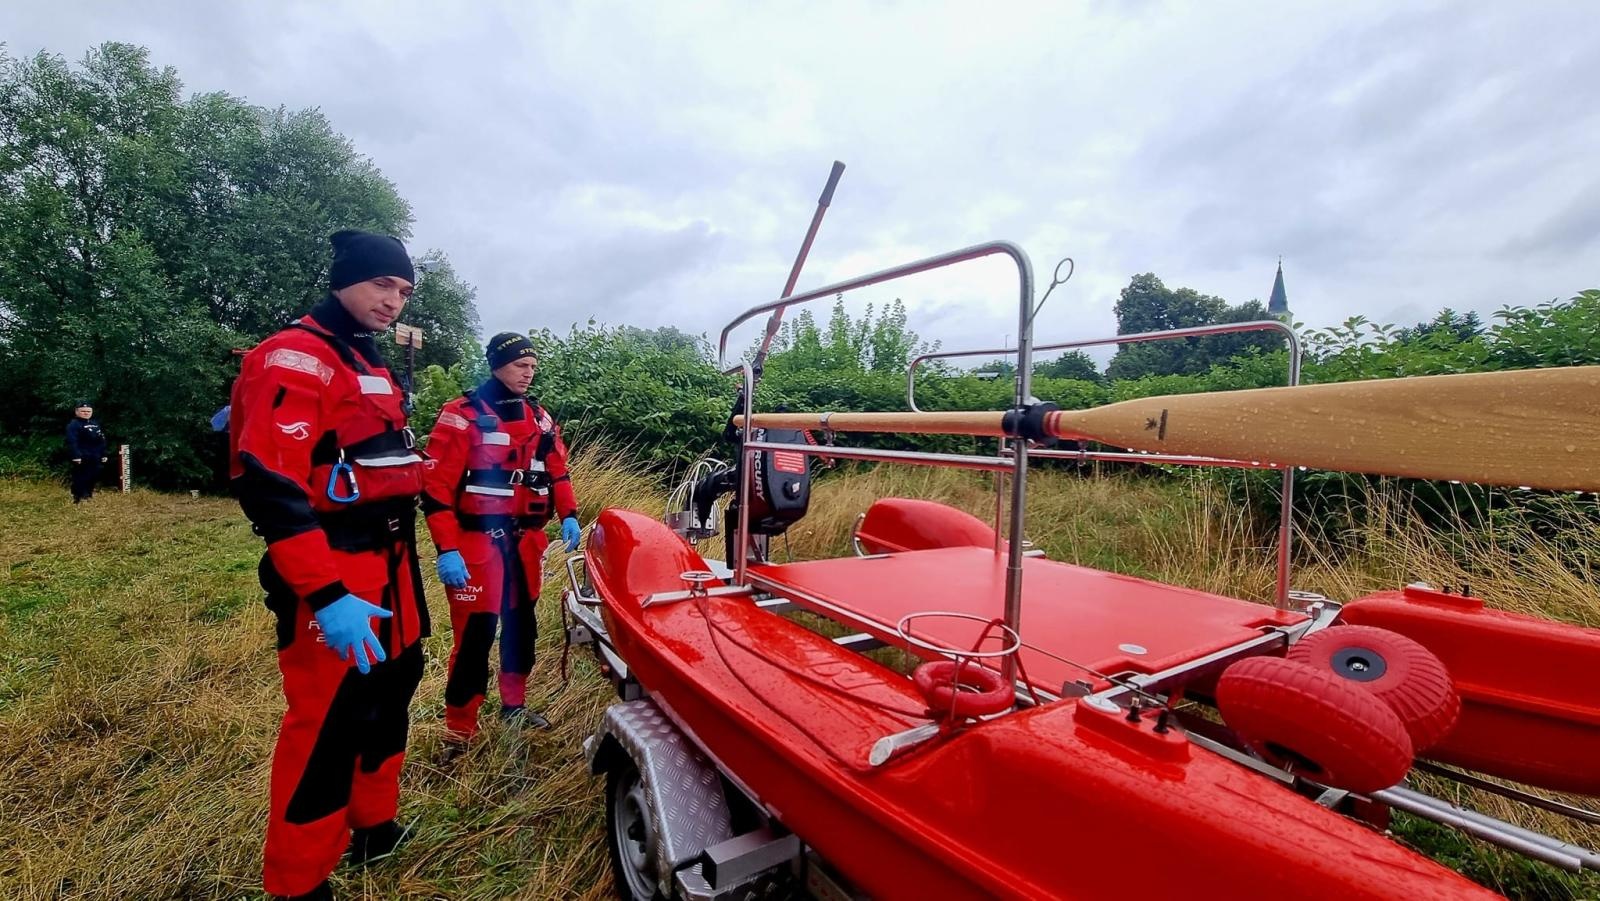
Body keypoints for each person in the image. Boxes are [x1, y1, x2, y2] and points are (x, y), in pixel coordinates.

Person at [229, 230, 430, 901]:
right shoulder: (294, 357)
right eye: (381, 283)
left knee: (390, 693)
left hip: (394, 561)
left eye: (403, 289)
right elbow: (271, 486)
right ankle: (298, 879)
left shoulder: (361, 357)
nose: (393, 300)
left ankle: (372, 824)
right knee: (328, 720)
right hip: (337, 567)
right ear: (345, 277)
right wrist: (325, 592)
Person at [422, 331, 581, 746]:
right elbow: (436, 488)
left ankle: (514, 707)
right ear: (496, 364)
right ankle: (460, 730)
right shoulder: (461, 414)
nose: (528, 374)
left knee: (521, 628)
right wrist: (447, 549)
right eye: (519, 366)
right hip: (476, 545)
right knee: (475, 638)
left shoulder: (540, 418)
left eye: (532, 367)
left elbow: (557, 471)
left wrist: (570, 515)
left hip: (526, 543)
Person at [65, 401, 108, 503]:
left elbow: (101, 440)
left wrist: (104, 453)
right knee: (81, 476)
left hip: (95, 455)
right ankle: (78, 497)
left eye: (88, 411)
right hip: (82, 455)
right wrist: (76, 456)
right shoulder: (73, 425)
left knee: (93, 475)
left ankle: (88, 495)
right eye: (83, 411)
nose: (86, 413)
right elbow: (72, 441)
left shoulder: (95, 424)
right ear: (77, 412)